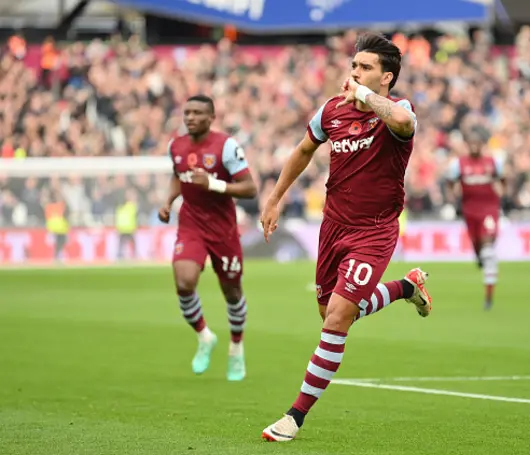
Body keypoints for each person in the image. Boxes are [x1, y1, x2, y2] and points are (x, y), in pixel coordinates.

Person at [259, 33, 433, 442]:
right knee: (331, 311)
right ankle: (406, 287)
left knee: (337, 318)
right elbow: (304, 150)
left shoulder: (397, 111)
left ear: (386, 78)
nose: (354, 73)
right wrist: (275, 196)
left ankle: (294, 417)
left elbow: (405, 124)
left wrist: (365, 97)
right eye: (354, 67)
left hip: (374, 230)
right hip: (333, 226)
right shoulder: (331, 111)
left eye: (366, 68)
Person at [159, 95, 258, 381]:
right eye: (187, 112)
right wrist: (168, 201)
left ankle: (236, 348)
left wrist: (213, 183)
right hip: (190, 223)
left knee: (232, 292)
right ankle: (204, 335)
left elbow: (250, 188)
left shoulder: (226, 146)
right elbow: (178, 176)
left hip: (223, 228)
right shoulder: (175, 146)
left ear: (211, 117)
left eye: (197, 113)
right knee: (184, 281)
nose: (190, 117)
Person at [446, 126, 505, 310]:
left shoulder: (493, 163)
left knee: (488, 249)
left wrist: (504, 196)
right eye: (470, 143)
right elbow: (449, 182)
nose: (473, 147)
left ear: (482, 145)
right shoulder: (459, 164)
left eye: (477, 144)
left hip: (489, 209)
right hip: (469, 211)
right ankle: (480, 255)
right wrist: (454, 199)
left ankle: (488, 297)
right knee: (478, 246)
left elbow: (503, 179)